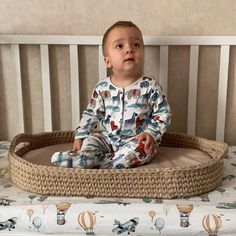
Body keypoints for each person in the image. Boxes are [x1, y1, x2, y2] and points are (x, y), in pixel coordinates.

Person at [51, 21, 171, 169]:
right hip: (107, 138)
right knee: (91, 141)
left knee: (141, 151)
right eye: (120, 46)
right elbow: (91, 114)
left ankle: (92, 162)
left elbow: (163, 113)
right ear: (108, 61)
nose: (129, 50)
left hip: (136, 140)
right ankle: (89, 157)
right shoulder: (102, 88)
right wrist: (81, 135)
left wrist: (151, 133)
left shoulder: (151, 86)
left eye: (136, 45)